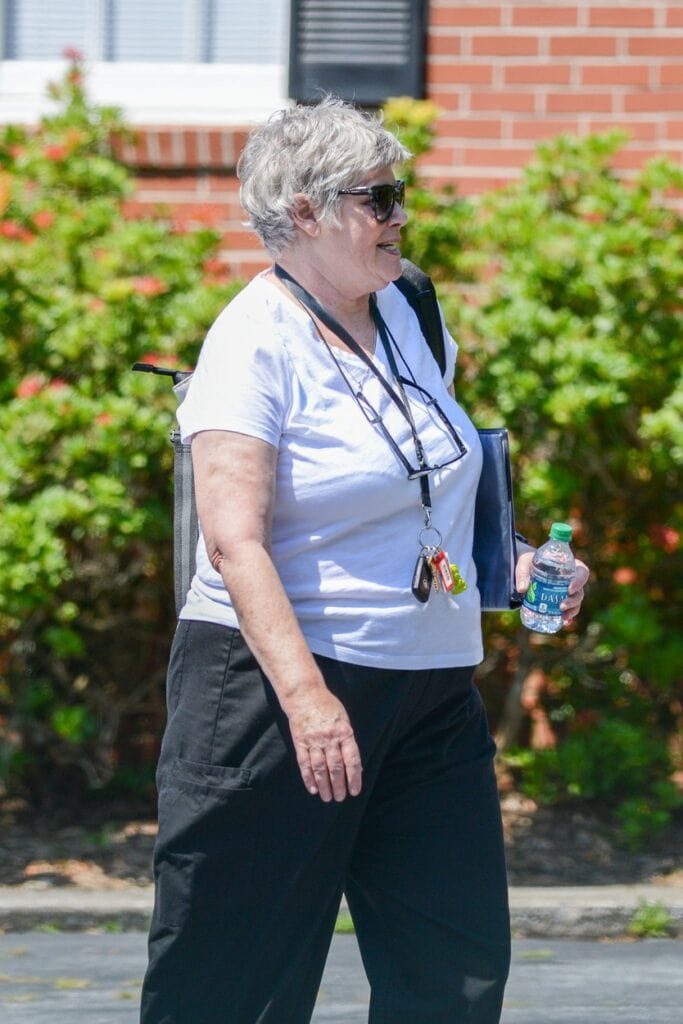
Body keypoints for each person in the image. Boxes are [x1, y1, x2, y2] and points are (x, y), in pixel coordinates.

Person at [140, 97, 588, 1024]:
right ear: (303, 211)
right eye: (377, 199)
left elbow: (425, 480)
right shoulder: (251, 343)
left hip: (429, 688)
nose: (399, 216)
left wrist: (513, 560)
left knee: (452, 972)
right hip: (278, 690)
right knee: (235, 984)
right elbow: (233, 540)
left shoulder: (408, 306)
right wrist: (308, 703)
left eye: (399, 195)